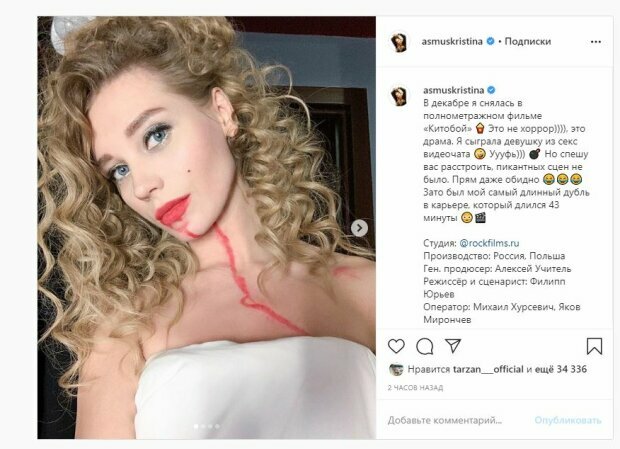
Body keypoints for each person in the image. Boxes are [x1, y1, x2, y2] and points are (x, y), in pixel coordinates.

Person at [38, 16, 376, 439]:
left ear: (221, 111)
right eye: (119, 169)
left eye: (155, 135)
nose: (141, 186)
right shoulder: (125, 328)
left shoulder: (368, 290)